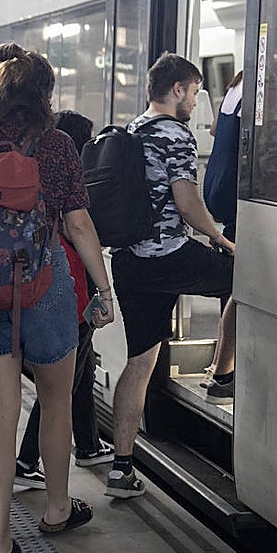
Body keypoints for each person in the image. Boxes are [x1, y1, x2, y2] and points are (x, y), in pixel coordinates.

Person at [0, 43, 114, 553]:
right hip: (44, 287)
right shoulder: (56, 145)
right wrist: (104, 291)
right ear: (45, 93)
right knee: (56, 402)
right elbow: (78, 224)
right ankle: (57, 509)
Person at [107, 53, 237, 500]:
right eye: (195, 92)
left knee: (140, 360)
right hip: (169, 255)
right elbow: (186, 200)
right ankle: (225, 376)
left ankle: (121, 469)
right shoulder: (175, 134)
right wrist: (221, 239)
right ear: (178, 89)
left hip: (130, 260)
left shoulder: (132, 129)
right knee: (246, 280)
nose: (196, 102)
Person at [14, 110, 114, 490]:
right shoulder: (68, 178)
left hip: (55, 281)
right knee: (60, 382)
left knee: (81, 366)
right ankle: (26, 461)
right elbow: (80, 227)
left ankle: (87, 444)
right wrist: (106, 292)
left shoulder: (36, 171)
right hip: (71, 285)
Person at [204, 70, 242, 242]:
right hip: (230, 182)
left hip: (214, 179)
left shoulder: (233, 89)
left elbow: (214, 129)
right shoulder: (257, 88)